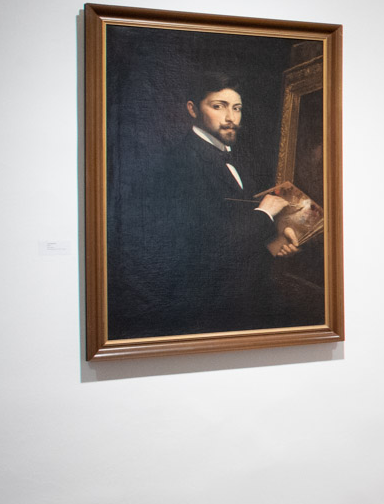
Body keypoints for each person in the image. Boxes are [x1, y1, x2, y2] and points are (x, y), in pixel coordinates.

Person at [112, 72, 296, 338]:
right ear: (192, 109)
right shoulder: (180, 163)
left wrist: (275, 240)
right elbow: (208, 245)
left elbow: (236, 223)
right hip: (207, 309)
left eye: (237, 108)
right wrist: (265, 214)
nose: (231, 117)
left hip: (246, 299)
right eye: (218, 106)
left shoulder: (237, 157)